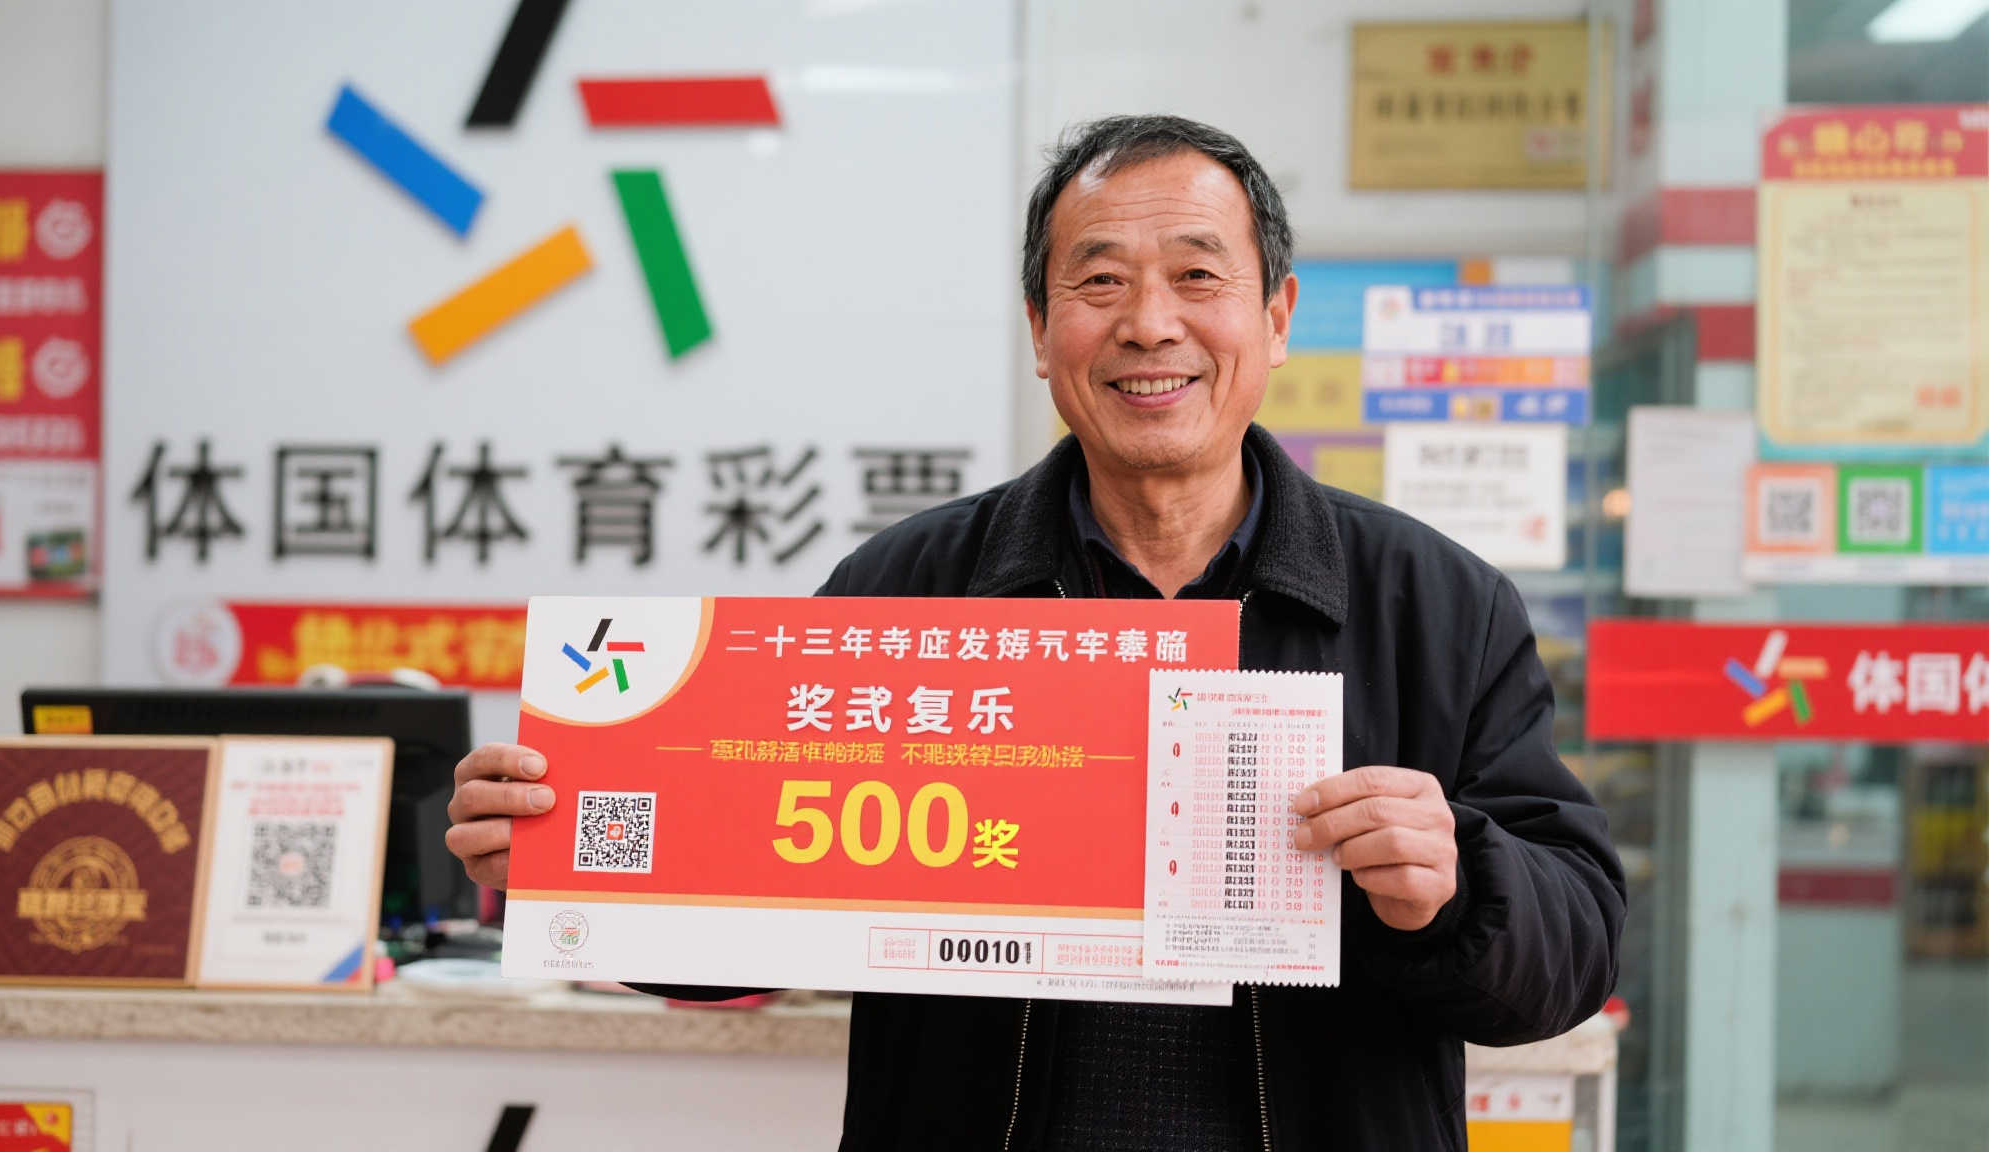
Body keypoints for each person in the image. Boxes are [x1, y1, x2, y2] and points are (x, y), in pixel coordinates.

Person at [448, 114, 1626, 1151]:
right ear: (1038, 325)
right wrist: (566, 860)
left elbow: (1573, 949)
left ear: (1274, 317)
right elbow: (755, 916)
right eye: (1099, 282)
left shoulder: (1436, 603)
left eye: (1196, 276)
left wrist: (1458, 881)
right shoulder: (903, 592)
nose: (1148, 325)